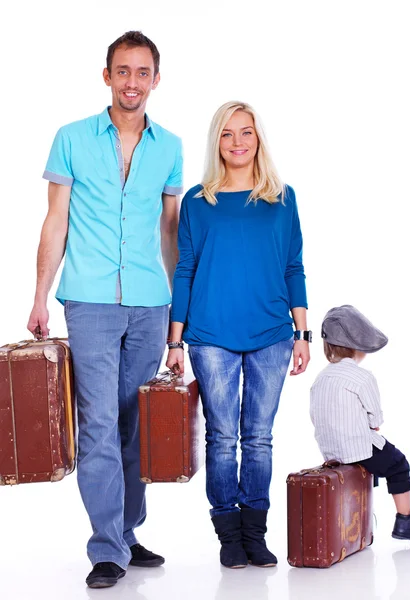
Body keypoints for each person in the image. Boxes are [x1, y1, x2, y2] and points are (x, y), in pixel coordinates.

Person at [27, 31, 183, 588]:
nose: (132, 82)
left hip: (149, 301)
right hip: (89, 298)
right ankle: (107, 548)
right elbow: (56, 220)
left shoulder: (170, 147)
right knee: (96, 423)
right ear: (107, 76)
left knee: (135, 424)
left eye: (142, 72)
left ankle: (126, 530)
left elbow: (170, 231)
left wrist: (177, 315)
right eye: (123, 71)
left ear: (156, 80)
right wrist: (41, 294)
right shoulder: (71, 138)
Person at [166, 101, 310, 569]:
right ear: (217, 142)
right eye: (227, 134)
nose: (238, 142)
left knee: (259, 437)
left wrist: (303, 332)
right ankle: (228, 533)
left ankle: (255, 531)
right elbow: (184, 269)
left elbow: (294, 268)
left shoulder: (282, 198)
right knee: (222, 437)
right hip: (210, 335)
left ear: (259, 138)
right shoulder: (197, 200)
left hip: (272, 333)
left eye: (246, 132)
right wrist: (175, 341)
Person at [310, 305, 410, 544]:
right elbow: (376, 418)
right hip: (358, 448)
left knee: (366, 467)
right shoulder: (362, 377)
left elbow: (316, 415)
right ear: (358, 347)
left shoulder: (321, 378)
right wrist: (370, 424)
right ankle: (405, 519)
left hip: (330, 450)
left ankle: (355, 521)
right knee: (398, 464)